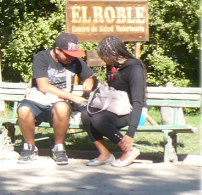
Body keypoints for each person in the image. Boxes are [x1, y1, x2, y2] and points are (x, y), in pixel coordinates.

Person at [16, 32, 96, 166]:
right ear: (57, 50)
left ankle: (59, 148)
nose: (71, 58)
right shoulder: (42, 57)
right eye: (68, 55)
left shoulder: (73, 60)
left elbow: (90, 75)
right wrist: (73, 97)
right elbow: (43, 87)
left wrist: (89, 80)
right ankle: (29, 147)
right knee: (23, 110)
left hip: (59, 102)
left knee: (62, 107)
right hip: (38, 99)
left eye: (73, 55)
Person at [80, 36, 145, 168]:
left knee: (98, 119)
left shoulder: (135, 69)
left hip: (134, 112)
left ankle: (129, 150)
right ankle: (105, 155)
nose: (102, 59)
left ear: (113, 53)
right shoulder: (112, 67)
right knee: (86, 114)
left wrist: (130, 134)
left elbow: (138, 102)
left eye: (103, 56)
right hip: (116, 109)